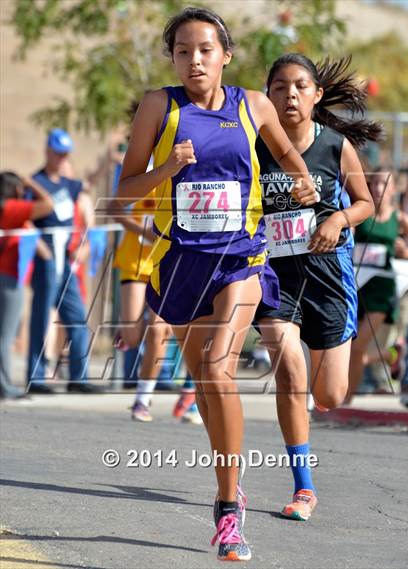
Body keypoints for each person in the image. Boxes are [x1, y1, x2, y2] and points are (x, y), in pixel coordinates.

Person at [112, 7, 318, 562]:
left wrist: (301, 183)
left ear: (225, 55)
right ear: (172, 58)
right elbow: (127, 187)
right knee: (206, 384)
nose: (194, 60)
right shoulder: (161, 106)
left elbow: (285, 150)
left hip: (242, 259)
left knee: (218, 368)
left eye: (205, 50)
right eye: (183, 51)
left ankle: (228, 510)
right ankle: (232, 480)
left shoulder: (252, 104)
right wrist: (167, 170)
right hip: (182, 260)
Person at [254, 53, 381, 521]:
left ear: (316, 95)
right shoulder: (256, 145)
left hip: (329, 279)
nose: (290, 95)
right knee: (289, 371)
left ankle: (310, 399)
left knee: (329, 395)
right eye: (281, 87)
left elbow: (367, 203)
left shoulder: (334, 145)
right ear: (268, 95)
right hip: (275, 277)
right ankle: (304, 488)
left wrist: (339, 220)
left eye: (300, 87)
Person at [26, 128, 102, 394]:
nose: (61, 159)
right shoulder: (36, 182)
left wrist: (108, 162)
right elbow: (24, 217)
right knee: (41, 318)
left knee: (77, 318)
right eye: (57, 153)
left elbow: (89, 185)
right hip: (47, 256)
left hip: (68, 259)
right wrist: (39, 247)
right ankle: (35, 377)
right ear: (48, 152)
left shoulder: (69, 185)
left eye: (65, 155)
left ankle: (78, 377)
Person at [348, 167, 408, 401]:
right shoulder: (361, 212)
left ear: (393, 190)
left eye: (383, 185)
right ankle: (390, 355)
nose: (378, 189)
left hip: (382, 291)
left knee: (357, 347)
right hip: (357, 286)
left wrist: (406, 251)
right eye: (374, 184)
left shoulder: (399, 218)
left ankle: (345, 400)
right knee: (349, 347)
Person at [0, 171, 54, 399]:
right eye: (21, 188)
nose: (25, 192)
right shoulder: (11, 207)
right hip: (9, 278)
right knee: (6, 335)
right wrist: (30, 181)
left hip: (9, 276)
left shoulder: (13, 214)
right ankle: (4, 385)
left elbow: (42, 248)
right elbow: (48, 205)